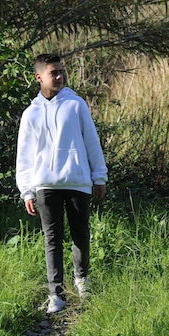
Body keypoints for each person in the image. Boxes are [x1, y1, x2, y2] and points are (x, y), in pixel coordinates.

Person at [16, 53, 108, 314]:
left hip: (77, 181)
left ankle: (82, 281)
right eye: (52, 72)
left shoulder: (76, 104)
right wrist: (27, 191)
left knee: (80, 234)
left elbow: (91, 141)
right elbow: (24, 155)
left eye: (60, 72)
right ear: (39, 77)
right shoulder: (31, 113)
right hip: (45, 184)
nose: (58, 76)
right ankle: (55, 294)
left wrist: (98, 176)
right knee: (52, 239)